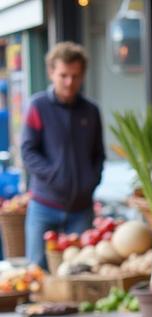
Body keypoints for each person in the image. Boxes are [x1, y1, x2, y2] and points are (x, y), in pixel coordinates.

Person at [21, 42, 104, 269]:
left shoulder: (91, 111)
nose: (69, 82)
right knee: (37, 272)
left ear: (83, 75)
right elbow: (27, 151)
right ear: (51, 73)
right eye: (63, 75)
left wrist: (91, 181)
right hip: (43, 206)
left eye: (75, 76)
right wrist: (54, 175)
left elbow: (98, 154)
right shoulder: (37, 106)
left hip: (81, 209)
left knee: (82, 273)